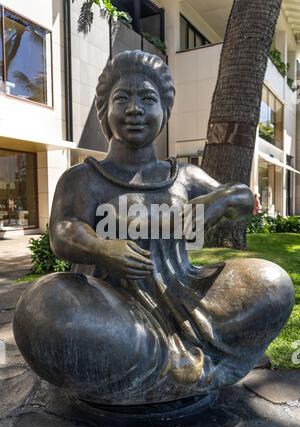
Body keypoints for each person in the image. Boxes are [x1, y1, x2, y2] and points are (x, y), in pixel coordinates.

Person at [14, 51, 294, 407]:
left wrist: (218, 202)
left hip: (186, 296)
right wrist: (102, 248)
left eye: (148, 99)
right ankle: (195, 369)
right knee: (43, 304)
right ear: (105, 110)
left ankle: (160, 374)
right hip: (109, 309)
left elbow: (237, 195)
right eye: (122, 98)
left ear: (164, 111)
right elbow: (64, 231)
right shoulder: (83, 179)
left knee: (272, 282)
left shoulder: (185, 177)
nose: (135, 109)